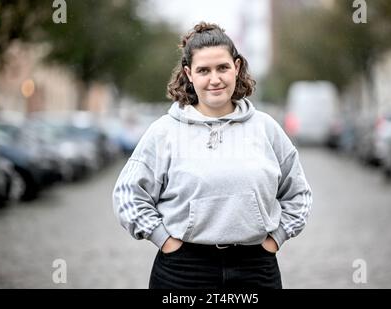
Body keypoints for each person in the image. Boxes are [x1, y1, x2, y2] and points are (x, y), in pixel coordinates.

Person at [112, 22, 312, 289]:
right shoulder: (164, 132)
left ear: (237, 67)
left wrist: (276, 238)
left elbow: (299, 194)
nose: (214, 79)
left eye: (223, 68)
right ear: (189, 73)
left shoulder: (266, 128)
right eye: (203, 70)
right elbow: (128, 194)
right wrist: (165, 241)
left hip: (256, 268)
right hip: (183, 271)